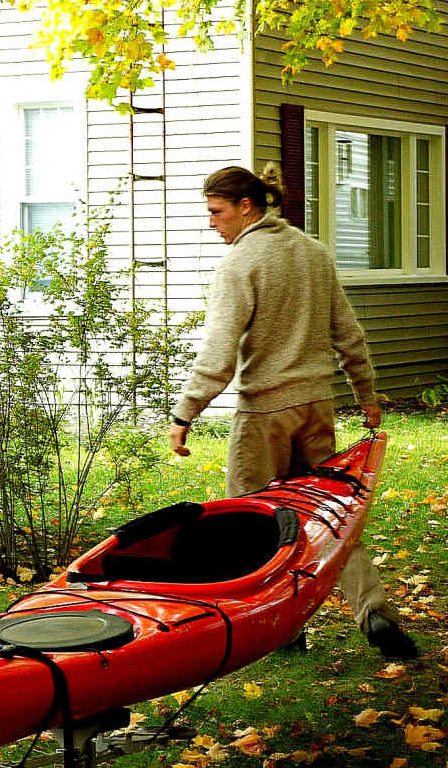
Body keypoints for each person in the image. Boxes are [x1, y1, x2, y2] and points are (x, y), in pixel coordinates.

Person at [169, 165, 417, 660]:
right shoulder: (313, 252)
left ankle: (278, 627)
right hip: (316, 407)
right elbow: (348, 331)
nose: (212, 224)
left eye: (217, 213)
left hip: (264, 414)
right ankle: (375, 612)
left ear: (246, 207)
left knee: (251, 523)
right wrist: (366, 393)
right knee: (330, 517)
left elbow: (218, 352)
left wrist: (184, 413)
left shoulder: (240, 263)